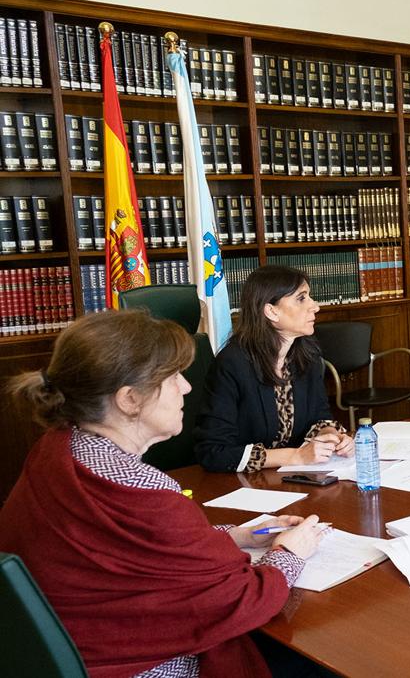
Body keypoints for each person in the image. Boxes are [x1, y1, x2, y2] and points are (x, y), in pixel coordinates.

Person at [0, 310, 326, 676]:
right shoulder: (144, 492)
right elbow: (238, 600)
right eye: (172, 377)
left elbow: (142, 554)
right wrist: (289, 553)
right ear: (129, 399)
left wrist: (236, 536)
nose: (186, 387)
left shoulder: (57, 449)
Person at [196, 265, 353, 472]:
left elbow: (319, 415)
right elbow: (213, 451)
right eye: (301, 298)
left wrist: (330, 436)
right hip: (244, 486)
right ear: (271, 311)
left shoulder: (308, 356)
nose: (315, 306)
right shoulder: (232, 363)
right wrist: (295, 456)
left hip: (295, 479)